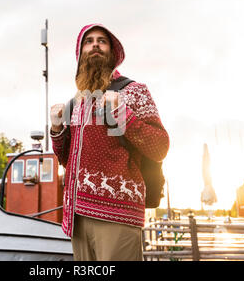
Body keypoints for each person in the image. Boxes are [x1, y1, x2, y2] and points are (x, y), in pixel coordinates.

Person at [50, 23, 170, 261]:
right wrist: (56, 130)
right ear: (80, 54)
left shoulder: (133, 91)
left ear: (113, 53)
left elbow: (160, 147)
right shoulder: (76, 103)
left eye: (101, 41)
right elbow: (67, 160)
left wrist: (123, 113)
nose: (95, 44)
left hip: (118, 215)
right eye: (89, 41)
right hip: (78, 217)